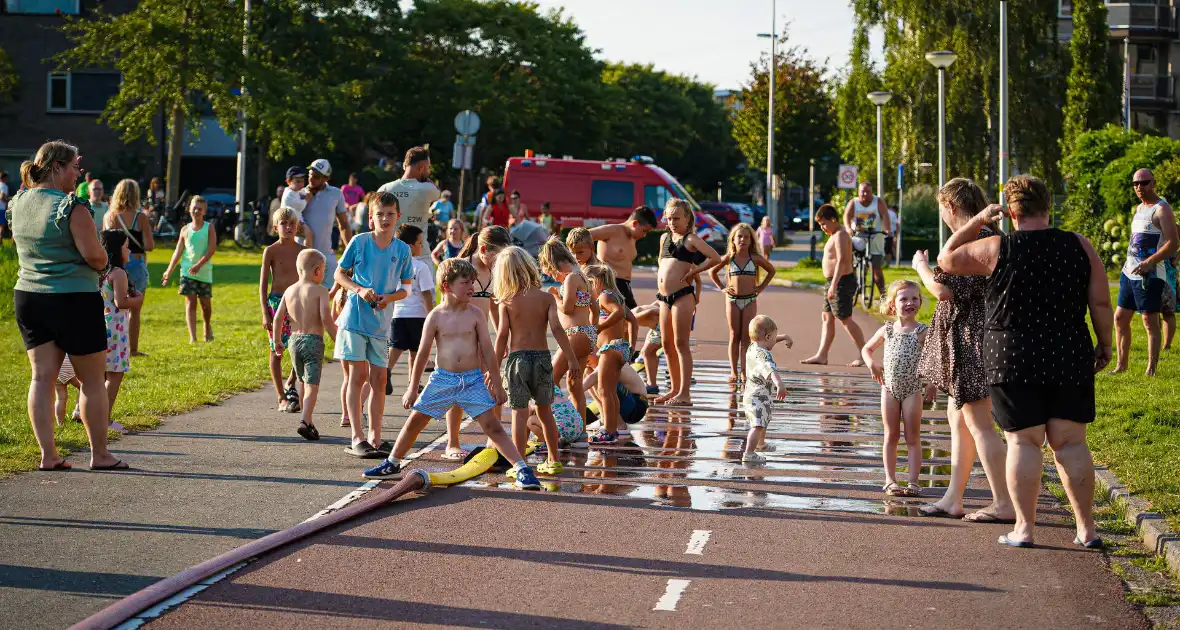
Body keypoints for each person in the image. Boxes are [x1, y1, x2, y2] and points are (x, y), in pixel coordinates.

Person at [939, 174, 1112, 549]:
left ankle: (1025, 529)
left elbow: (946, 259)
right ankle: (1087, 530)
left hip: (1012, 356)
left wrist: (978, 219)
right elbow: (1099, 302)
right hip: (1068, 352)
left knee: (1023, 444)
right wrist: (1105, 344)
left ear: (1011, 211)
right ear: (1048, 205)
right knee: (1070, 444)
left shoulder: (997, 248)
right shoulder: (1079, 245)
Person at [362, 258, 541, 490]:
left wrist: (497, 384)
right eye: (465, 283)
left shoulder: (476, 314)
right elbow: (423, 354)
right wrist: (412, 387)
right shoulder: (435, 316)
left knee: (493, 426)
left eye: (473, 282)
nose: (472, 287)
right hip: (442, 379)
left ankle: (521, 469)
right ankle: (392, 463)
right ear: (447, 286)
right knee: (415, 421)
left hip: (472, 380)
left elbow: (487, 350)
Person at [12, 140, 127, 470]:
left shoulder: (17, 202)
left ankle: (49, 455)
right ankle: (100, 454)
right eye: (75, 167)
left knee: (42, 378)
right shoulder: (71, 206)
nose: (78, 174)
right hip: (74, 298)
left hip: (29, 296)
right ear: (57, 167)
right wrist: (105, 260)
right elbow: (94, 255)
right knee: (91, 380)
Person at [914, 178, 1014, 522]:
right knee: (958, 418)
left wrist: (921, 268)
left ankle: (1004, 502)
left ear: (951, 207)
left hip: (974, 341)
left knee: (978, 421)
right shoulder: (984, 237)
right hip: (970, 338)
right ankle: (953, 498)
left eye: (941, 208)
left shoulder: (979, 239)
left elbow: (943, 290)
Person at [334, 192, 412, 457]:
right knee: (357, 376)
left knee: (380, 379)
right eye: (380, 214)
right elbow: (339, 274)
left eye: (390, 214)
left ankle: (375, 437)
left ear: (398, 216)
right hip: (354, 320)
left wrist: (388, 298)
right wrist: (359, 289)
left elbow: (406, 289)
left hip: (380, 324)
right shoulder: (359, 242)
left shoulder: (402, 250)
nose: (385, 218)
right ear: (371, 218)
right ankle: (357, 437)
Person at [493, 246, 579, 474]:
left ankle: (520, 464)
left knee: (519, 414)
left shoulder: (506, 301)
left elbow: (502, 335)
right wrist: (572, 359)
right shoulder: (547, 298)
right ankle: (553, 459)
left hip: (517, 361)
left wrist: (493, 367)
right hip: (542, 359)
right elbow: (558, 328)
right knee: (545, 412)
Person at [861, 280, 929, 497]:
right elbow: (866, 349)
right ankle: (890, 480)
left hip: (912, 390)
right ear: (892, 305)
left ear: (920, 301)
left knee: (912, 438)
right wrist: (871, 362)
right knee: (891, 436)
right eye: (904, 299)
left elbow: (936, 359)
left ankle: (913, 482)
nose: (910, 303)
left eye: (914, 298)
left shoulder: (922, 331)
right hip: (889, 389)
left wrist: (934, 384)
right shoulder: (887, 329)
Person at [654, 198, 722, 406]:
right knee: (666, 344)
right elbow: (661, 262)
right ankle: (674, 389)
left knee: (680, 343)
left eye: (677, 218)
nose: (672, 222)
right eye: (669, 218)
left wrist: (695, 270)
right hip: (664, 298)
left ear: (687, 219)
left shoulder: (691, 239)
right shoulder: (664, 238)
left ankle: (685, 393)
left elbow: (715, 258)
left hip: (682, 296)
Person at [1111, 168, 1178, 376]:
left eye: (1144, 182)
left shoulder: (1162, 209)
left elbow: (1172, 242)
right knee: (1120, 318)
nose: (1139, 187)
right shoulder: (1140, 208)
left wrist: (1150, 262)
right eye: (1135, 184)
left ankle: (1151, 369)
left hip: (1150, 274)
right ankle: (1121, 366)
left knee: (1149, 321)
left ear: (1153, 183)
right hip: (1129, 272)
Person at [273, 249, 338, 441]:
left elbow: (278, 318)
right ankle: (304, 420)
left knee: (303, 382)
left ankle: (308, 421)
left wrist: (277, 341)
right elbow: (326, 318)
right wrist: (338, 340)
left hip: (294, 341)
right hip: (312, 341)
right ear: (318, 271)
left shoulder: (289, 290)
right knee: (312, 385)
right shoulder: (320, 291)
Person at [709, 223, 776, 384]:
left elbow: (771, 270)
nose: (743, 240)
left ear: (751, 240)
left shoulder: (755, 258)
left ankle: (745, 371)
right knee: (734, 335)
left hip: (749, 301)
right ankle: (733, 371)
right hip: (732, 301)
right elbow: (712, 271)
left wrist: (760, 288)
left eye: (746, 237)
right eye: (739, 236)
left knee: (747, 337)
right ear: (733, 239)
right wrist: (723, 288)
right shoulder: (729, 258)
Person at [539, 238, 596, 424]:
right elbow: (594, 308)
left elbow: (568, 308)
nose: (554, 277)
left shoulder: (572, 277)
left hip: (576, 334)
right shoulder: (583, 276)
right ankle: (580, 433)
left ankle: (562, 424)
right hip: (585, 333)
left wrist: (554, 297)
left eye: (552, 271)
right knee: (574, 386)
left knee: (549, 380)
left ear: (555, 263)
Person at [801, 204, 866, 367]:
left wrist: (834, 284)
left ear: (833, 219)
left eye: (823, 223)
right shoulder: (834, 234)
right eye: (820, 225)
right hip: (833, 282)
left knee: (845, 318)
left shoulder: (841, 235)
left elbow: (842, 261)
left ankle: (864, 354)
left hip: (841, 281)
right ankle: (822, 355)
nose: (822, 228)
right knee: (827, 317)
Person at [585, 264, 639, 444]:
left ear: (597, 282)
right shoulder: (616, 296)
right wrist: (630, 345)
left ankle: (608, 430)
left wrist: (600, 327)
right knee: (611, 391)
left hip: (611, 348)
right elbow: (631, 320)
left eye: (588, 284)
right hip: (619, 347)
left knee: (604, 390)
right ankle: (614, 427)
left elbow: (617, 314)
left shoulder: (605, 296)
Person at [260, 207, 305, 412]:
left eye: (292, 224)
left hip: (297, 303)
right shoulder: (270, 250)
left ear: (297, 227)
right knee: (276, 350)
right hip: (276, 303)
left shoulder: (302, 251)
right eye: (284, 224)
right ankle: (281, 397)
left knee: (301, 347)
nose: (288, 227)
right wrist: (264, 312)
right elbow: (263, 284)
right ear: (275, 227)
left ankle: (291, 382)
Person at [105, 179, 154, 357]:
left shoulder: (109, 216)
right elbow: (149, 245)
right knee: (135, 308)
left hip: (113, 266)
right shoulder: (140, 217)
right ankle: (132, 349)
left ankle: (111, 345)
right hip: (136, 264)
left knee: (112, 306)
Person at [97, 230, 142, 422]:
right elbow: (121, 302)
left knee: (98, 377)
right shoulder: (119, 273)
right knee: (115, 375)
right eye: (126, 246)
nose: (129, 249)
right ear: (117, 250)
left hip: (99, 327)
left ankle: (81, 411)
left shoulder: (101, 272)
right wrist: (138, 299)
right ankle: (104, 419)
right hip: (115, 331)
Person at [386, 225, 435, 390]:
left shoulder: (393, 266)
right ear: (409, 247)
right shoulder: (421, 267)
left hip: (397, 314)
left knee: (396, 346)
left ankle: (387, 370)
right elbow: (427, 293)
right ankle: (413, 382)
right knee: (416, 351)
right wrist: (431, 316)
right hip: (418, 315)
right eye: (420, 243)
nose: (422, 246)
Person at [161, 195, 216, 343]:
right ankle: (193, 337)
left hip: (204, 272)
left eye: (200, 209)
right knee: (190, 303)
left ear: (204, 211)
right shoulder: (185, 229)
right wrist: (169, 270)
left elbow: (211, 249)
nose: (196, 211)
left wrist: (199, 265)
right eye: (194, 208)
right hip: (186, 272)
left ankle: (207, 326)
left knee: (205, 305)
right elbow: (178, 252)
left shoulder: (209, 227)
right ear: (189, 210)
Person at [741, 315, 792, 463]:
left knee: (762, 421)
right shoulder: (764, 355)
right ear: (768, 336)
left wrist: (784, 337)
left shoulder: (752, 348)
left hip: (752, 394)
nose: (774, 342)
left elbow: (768, 341)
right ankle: (749, 453)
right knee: (757, 425)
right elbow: (770, 369)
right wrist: (779, 384)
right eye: (774, 338)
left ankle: (761, 445)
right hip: (759, 396)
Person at [590, 206, 658, 309]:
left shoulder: (632, 237)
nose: (644, 236)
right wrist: (592, 261)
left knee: (634, 319)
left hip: (625, 286)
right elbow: (580, 236)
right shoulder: (612, 230)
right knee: (625, 319)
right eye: (644, 231)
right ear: (635, 224)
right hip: (609, 283)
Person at [300, 159, 353, 287]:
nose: (312, 179)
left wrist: (352, 253)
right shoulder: (299, 194)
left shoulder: (336, 194)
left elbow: (344, 225)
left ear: (326, 178)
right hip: (301, 256)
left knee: (329, 297)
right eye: (310, 175)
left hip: (326, 256)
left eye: (316, 177)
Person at [378, 146, 440, 235]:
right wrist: (427, 179)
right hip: (419, 248)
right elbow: (438, 193)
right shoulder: (428, 189)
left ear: (404, 166)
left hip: (391, 247)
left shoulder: (384, 189)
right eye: (428, 168)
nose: (429, 172)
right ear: (421, 167)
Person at [844, 182, 890, 295]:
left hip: (875, 239)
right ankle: (853, 283)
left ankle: (883, 295)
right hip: (858, 238)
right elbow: (846, 216)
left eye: (867, 191)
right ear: (858, 192)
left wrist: (887, 229)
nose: (864, 194)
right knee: (852, 261)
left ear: (871, 192)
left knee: (876, 269)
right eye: (862, 191)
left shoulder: (878, 202)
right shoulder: (853, 203)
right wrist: (848, 228)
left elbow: (885, 215)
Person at [0, 170, 10, 246]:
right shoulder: (4, 186)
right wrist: (8, 201)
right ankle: (0, 241)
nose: (7, 179)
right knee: (2, 226)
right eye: (7, 178)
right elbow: (2, 197)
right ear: (4, 178)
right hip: (2, 208)